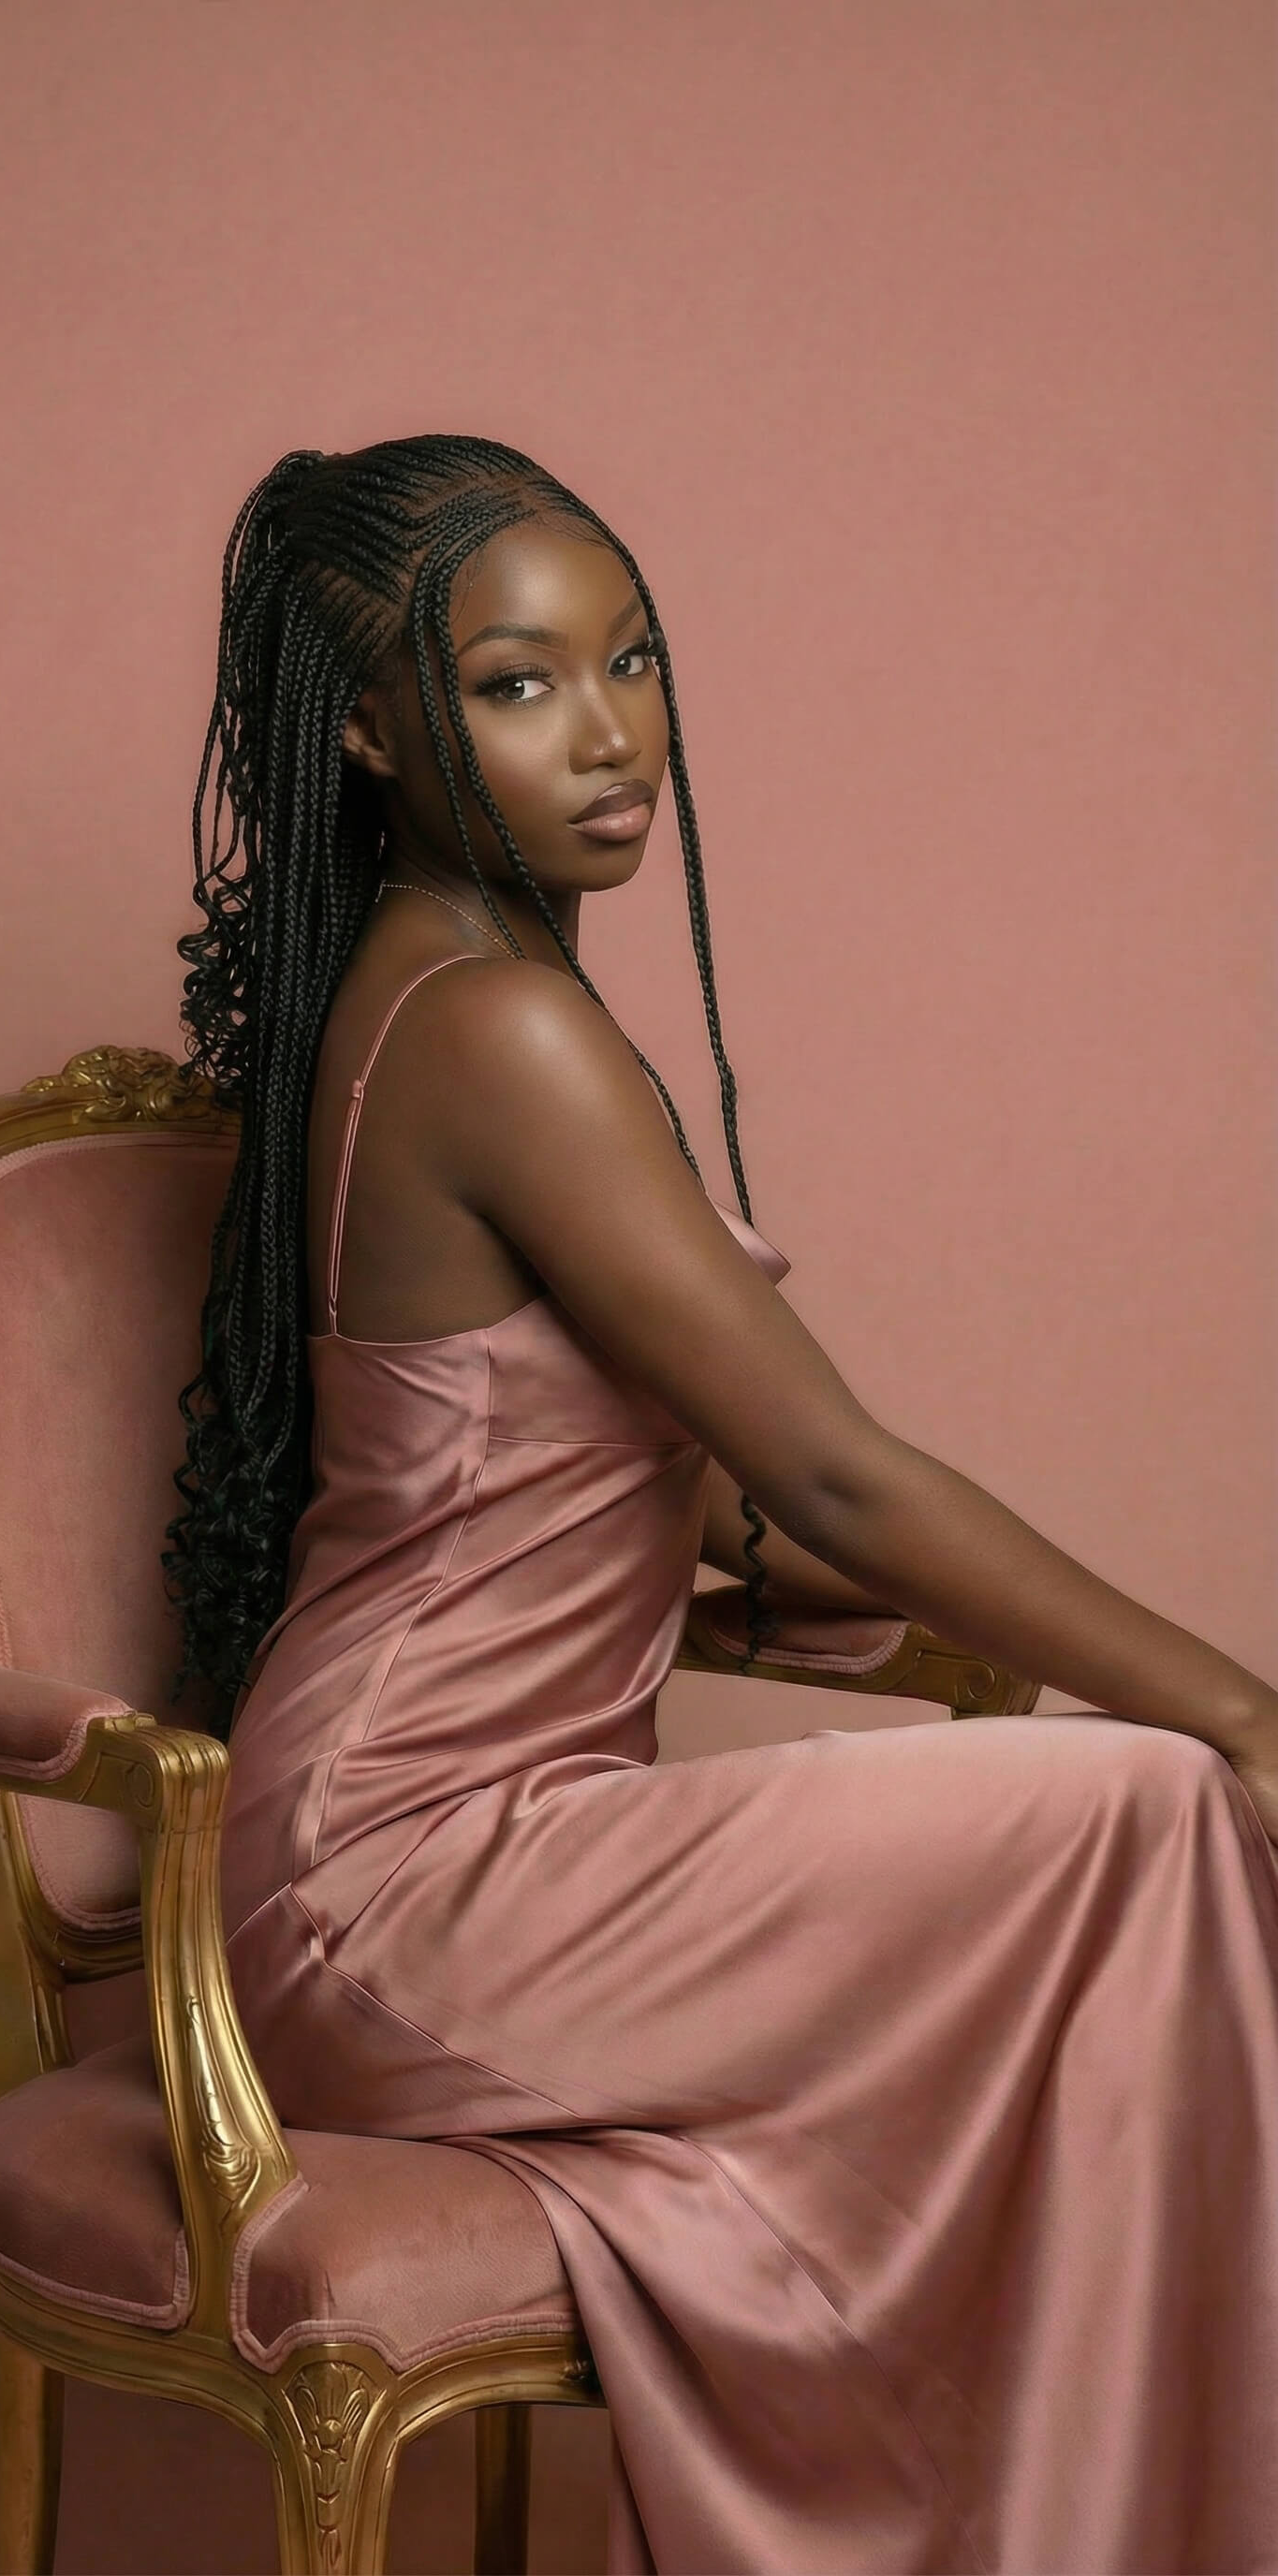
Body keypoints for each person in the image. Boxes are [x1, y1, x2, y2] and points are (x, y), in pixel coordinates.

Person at [168, 436, 1278, 2575]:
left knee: (1096, 1872)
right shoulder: (495, 1026)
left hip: (478, 1842)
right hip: (396, 1885)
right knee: (1145, 1803)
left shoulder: (459, 988)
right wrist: (1244, 1705)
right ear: (372, 730)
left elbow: (533, 1478)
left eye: (634, 658)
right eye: (516, 683)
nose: (609, 732)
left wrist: (789, 1586)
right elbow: (829, 1460)